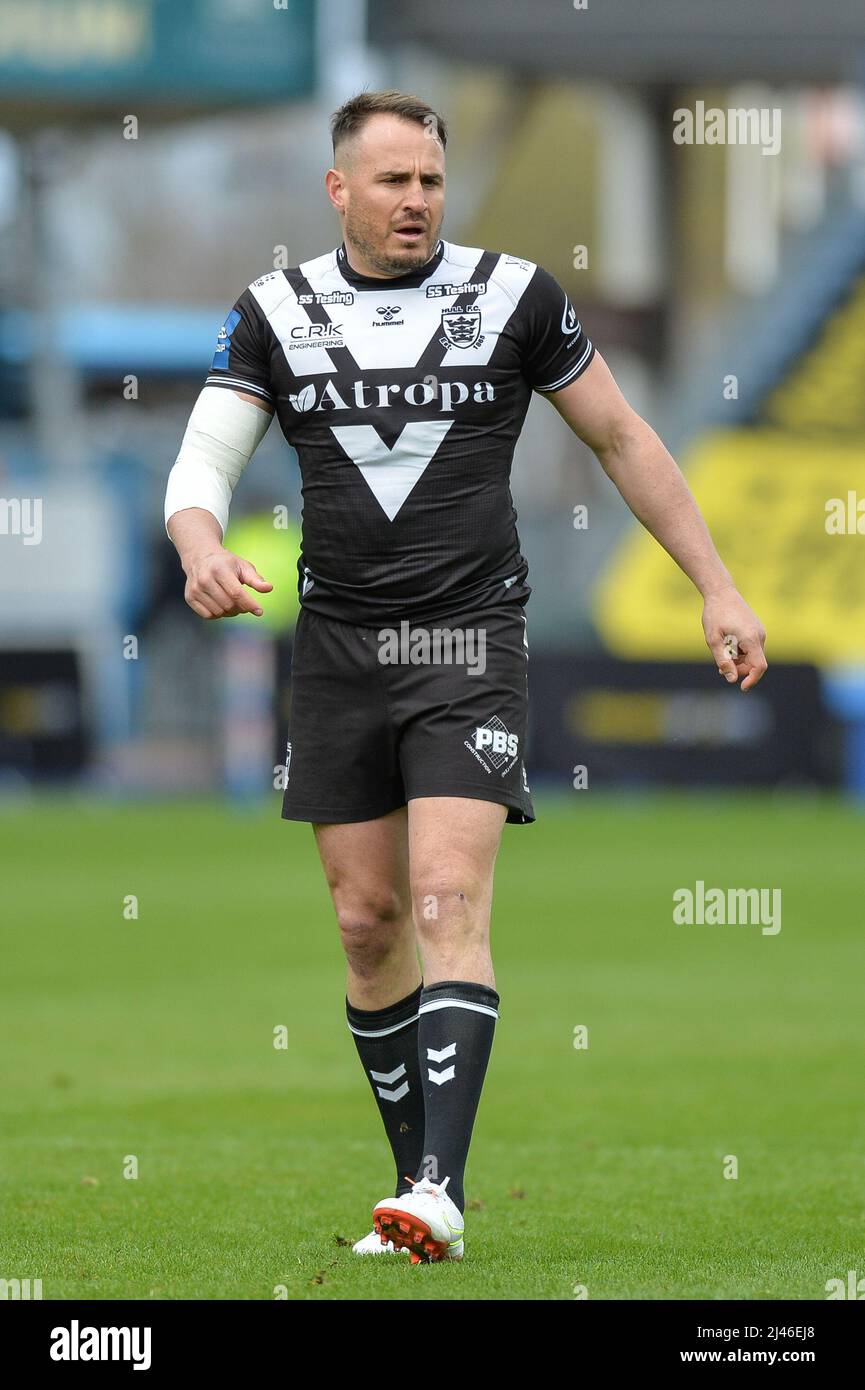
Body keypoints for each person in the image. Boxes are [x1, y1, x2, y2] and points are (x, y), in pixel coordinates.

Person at [164, 90, 768, 1264]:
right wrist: (198, 545)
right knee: (366, 920)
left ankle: (440, 1186)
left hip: (467, 637)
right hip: (338, 648)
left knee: (446, 899)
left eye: (431, 180)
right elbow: (205, 455)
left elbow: (623, 437)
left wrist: (717, 584)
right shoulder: (274, 313)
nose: (416, 201)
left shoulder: (514, 298)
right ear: (337, 191)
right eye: (391, 181)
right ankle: (411, 1190)